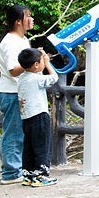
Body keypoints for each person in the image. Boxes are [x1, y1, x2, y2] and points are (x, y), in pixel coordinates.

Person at [0, 5, 34, 183]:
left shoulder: (22, 39)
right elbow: (13, 70)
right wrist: (34, 59)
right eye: (28, 16)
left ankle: (18, 168)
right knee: (13, 133)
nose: (31, 19)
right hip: (11, 93)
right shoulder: (11, 42)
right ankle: (10, 173)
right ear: (18, 20)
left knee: (20, 132)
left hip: (19, 92)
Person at [16, 47, 59, 187]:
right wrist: (48, 64)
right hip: (39, 117)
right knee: (42, 146)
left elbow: (36, 73)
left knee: (29, 146)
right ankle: (41, 176)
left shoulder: (22, 78)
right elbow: (54, 77)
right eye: (40, 61)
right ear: (36, 64)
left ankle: (28, 175)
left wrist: (40, 57)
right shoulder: (36, 79)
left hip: (26, 118)